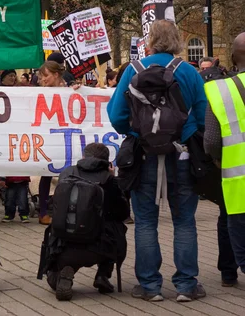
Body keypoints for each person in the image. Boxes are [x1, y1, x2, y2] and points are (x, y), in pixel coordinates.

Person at [107, 20, 207, 302]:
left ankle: (150, 287)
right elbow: (201, 115)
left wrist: (140, 133)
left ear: (149, 41)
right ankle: (186, 286)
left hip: (144, 155)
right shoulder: (188, 71)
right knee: (185, 221)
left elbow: (116, 117)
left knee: (146, 222)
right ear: (177, 42)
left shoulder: (133, 70)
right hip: (183, 154)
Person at [44, 143, 129, 301]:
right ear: (107, 160)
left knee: (54, 280)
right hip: (99, 246)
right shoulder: (108, 178)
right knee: (118, 227)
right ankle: (103, 274)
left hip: (63, 244)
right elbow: (122, 213)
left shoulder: (67, 173)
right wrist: (114, 179)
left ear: (83, 156)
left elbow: (52, 208)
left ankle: (65, 271)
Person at [204, 32, 245, 282]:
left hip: (235, 173)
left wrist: (220, 160)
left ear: (232, 58)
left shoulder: (220, 91)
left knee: (233, 220)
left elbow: (211, 140)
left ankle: (233, 270)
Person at [36, 61, 68, 225]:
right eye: (41, 77)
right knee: (46, 173)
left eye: (46, 76)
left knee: (66, 175)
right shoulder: (41, 92)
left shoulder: (70, 89)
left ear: (56, 75)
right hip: (48, 137)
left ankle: (63, 210)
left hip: (66, 137)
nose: (43, 80)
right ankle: (43, 212)